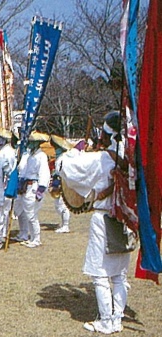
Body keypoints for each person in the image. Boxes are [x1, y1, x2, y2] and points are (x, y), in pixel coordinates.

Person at [59, 111, 130, 334]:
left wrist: (79, 149)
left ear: (106, 135)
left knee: (100, 273)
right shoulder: (130, 160)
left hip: (104, 219)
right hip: (124, 219)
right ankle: (117, 319)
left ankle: (106, 321)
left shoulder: (101, 158)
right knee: (118, 275)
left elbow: (64, 167)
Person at [13, 131, 51, 248]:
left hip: (34, 186)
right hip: (26, 186)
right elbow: (24, 170)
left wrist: (41, 189)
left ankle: (36, 238)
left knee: (31, 214)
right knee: (24, 211)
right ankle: (27, 235)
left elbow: (44, 173)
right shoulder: (30, 156)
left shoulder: (41, 156)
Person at [49, 134, 73, 234]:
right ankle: (63, 223)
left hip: (63, 183)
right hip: (58, 182)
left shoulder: (64, 158)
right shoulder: (59, 158)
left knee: (63, 206)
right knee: (58, 205)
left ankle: (65, 225)